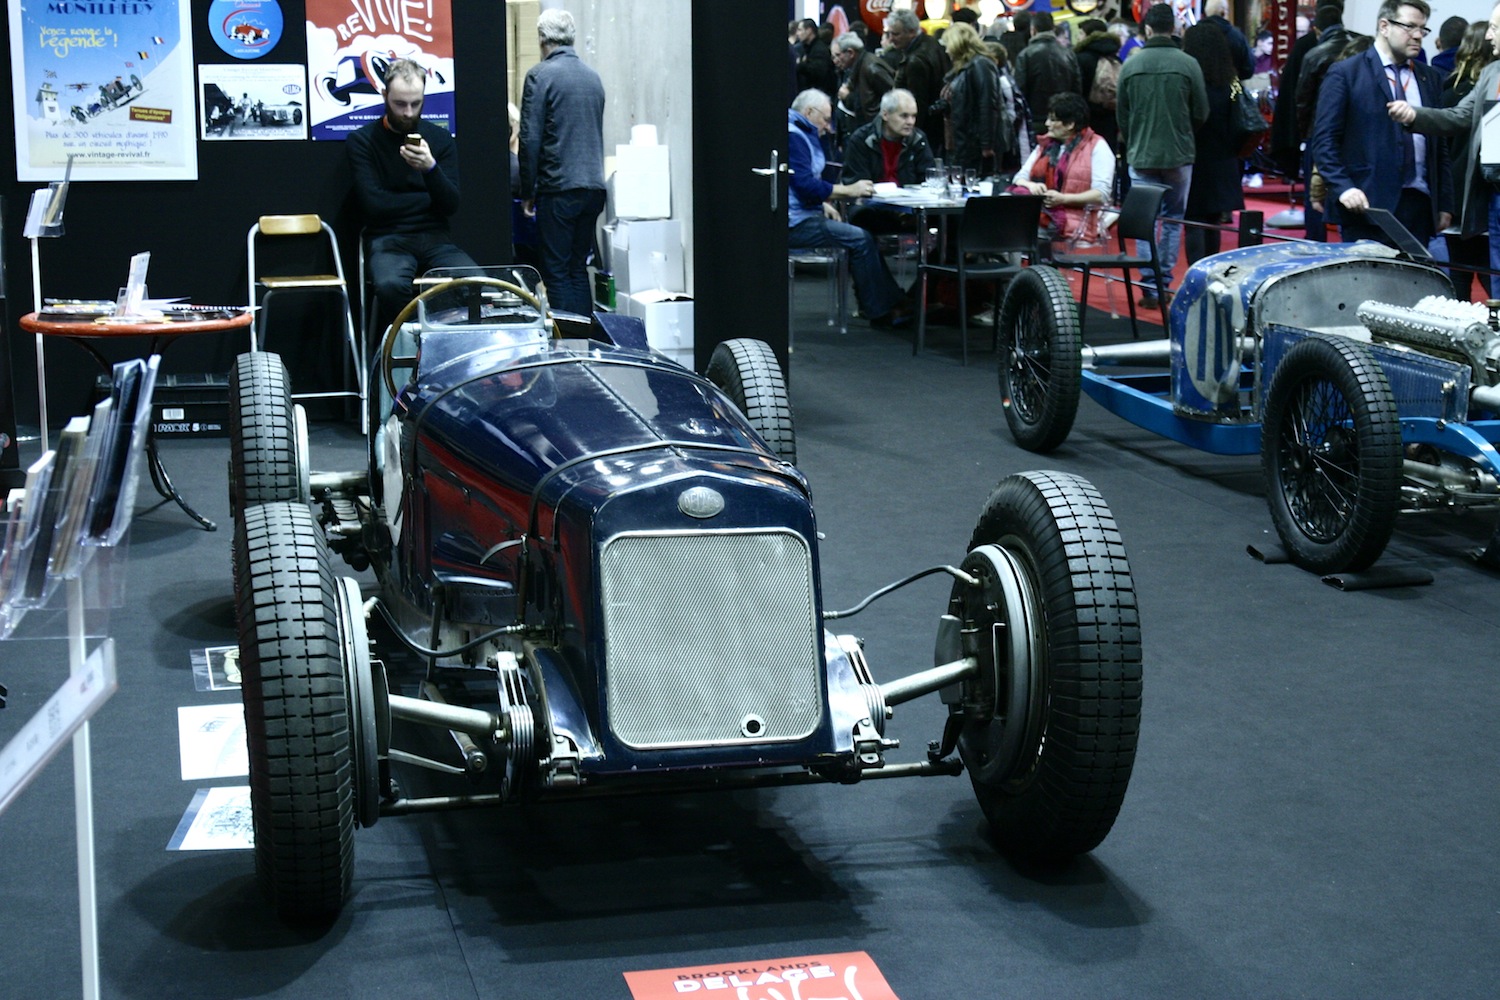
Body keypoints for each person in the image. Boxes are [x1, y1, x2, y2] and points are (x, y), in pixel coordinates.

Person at [348, 57, 477, 323]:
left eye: (416, 103)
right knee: (390, 286)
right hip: (388, 238)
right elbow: (374, 206)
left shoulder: (440, 140)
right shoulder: (363, 141)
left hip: (435, 238)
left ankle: (446, 340)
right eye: (400, 104)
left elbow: (450, 204)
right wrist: (426, 200)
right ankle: (409, 343)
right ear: (384, 95)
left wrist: (430, 169)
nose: (408, 112)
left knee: (476, 283)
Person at [1313, 0, 1452, 247]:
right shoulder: (1346, 73)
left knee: (1415, 272)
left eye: (1423, 29)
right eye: (1410, 27)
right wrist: (1344, 188)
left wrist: (1444, 203)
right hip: (1366, 203)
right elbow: (1325, 141)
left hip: (1419, 204)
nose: (1418, 35)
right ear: (1384, 26)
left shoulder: (1429, 77)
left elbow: (1439, 145)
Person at [1389, 2, 1500, 290]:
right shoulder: (1492, 73)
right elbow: (1460, 116)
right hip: (1493, 195)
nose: (1489, 36)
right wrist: (1415, 116)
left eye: (1494, 28)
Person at [788, 90, 910, 327]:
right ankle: (880, 310)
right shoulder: (795, 136)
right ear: (809, 112)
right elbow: (804, 185)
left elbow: (797, 183)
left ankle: (893, 302)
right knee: (860, 239)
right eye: (825, 119)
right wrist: (848, 190)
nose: (828, 127)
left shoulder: (799, 133)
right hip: (796, 222)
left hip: (803, 214)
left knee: (862, 236)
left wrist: (822, 202)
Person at [1116, 3, 1208, 308]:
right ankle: (1163, 282)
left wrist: (1134, 139)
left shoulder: (1131, 65)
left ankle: (1149, 285)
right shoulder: (1188, 63)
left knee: (1146, 220)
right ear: (1174, 28)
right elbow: (1201, 111)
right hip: (1178, 153)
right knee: (1172, 219)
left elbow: (1122, 115)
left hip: (1141, 153)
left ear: (1147, 29)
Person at [518, 9, 607, 316]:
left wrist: (527, 191)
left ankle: (566, 342)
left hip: (559, 188)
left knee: (555, 272)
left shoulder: (540, 76)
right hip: (594, 188)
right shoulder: (593, 78)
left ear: (542, 39)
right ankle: (583, 337)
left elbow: (529, 140)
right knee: (577, 270)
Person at [1010, 91, 1115, 251]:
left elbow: (1101, 194)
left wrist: (1063, 199)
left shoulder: (1098, 146)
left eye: (1053, 120)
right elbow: (1019, 178)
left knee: (1012, 229)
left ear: (1070, 124)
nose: (1047, 124)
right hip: (1042, 213)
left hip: (1076, 220)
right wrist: (1032, 186)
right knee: (1004, 219)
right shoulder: (1046, 145)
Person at [1181, 22, 1245, 264]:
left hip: (1194, 154)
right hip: (1223, 156)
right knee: (1214, 220)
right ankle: (1212, 268)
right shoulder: (1229, 80)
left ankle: (1195, 271)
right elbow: (1238, 122)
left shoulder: (1189, 79)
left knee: (1193, 220)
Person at [841, 88, 935, 234]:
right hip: (873, 207)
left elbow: (928, 178)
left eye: (913, 116)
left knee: (951, 220)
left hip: (910, 206)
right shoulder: (861, 140)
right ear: (885, 114)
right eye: (904, 116)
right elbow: (856, 183)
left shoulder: (918, 139)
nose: (910, 122)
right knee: (865, 217)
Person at [882, 8, 950, 159]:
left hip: (926, 131)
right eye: (890, 34)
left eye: (896, 34)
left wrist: (911, 137)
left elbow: (917, 103)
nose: (891, 39)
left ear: (911, 32)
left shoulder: (916, 61)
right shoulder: (931, 43)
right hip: (938, 126)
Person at [939, 22, 1003, 175]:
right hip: (960, 140)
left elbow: (988, 104)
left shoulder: (980, 65)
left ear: (957, 44)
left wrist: (986, 144)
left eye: (948, 45)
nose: (947, 50)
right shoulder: (964, 68)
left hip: (972, 142)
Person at [1013, 11, 1082, 138]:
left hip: (1036, 119)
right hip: (1064, 120)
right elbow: (1077, 87)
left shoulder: (1026, 55)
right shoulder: (1068, 54)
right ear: (1053, 29)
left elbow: (1020, 91)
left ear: (1033, 30)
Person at [833, 31, 894, 139]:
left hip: (877, 130)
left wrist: (847, 97)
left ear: (850, 53)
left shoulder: (871, 68)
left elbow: (893, 97)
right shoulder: (858, 67)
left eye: (838, 55)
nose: (835, 60)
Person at [1074, 17, 1122, 152]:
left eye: (1081, 34)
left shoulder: (1080, 59)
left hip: (1087, 121)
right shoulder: (1116, 59)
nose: (1078, 38)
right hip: (1110, 120)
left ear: (1090, 36)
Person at [1201, 0, 1254, 79]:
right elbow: (1248, 69)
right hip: (1230, 83)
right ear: (1224, 12)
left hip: (1201, 85)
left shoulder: (1193, 34)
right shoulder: (1237, 36)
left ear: (1206, 11)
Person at [795, 18, 838, 102]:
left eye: (800, 30)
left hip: (819, 98)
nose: (797, 33)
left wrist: (801, 65)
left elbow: (818, 72)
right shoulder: (804, 48)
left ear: (809, 31)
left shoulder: (820, 50)